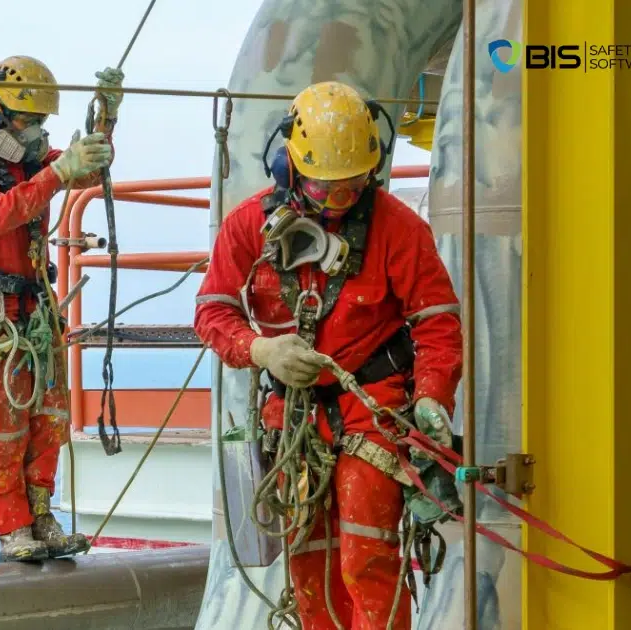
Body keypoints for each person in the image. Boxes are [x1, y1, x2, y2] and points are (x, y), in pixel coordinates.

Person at [193, 81, 463, 629]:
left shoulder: (397, 227)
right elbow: (212, 314)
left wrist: (433, 397)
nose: (341, 202)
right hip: (292, 414)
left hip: (374, 403)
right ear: (289, 165)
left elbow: (437, 323)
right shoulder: (248, 226)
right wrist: (261, 348)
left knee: (368, 556)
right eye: (326, 189)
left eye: (354, 186)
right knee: (308, 563)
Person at [0, 55, 124, 563]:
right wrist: (57, 171)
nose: (36, 130)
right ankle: (13, 526)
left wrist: (105, 121)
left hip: (36, 311)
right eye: (28, 120)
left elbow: (90, 170)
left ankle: (41, 512)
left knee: (48, 415)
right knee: (7, 421)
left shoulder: (32, 164)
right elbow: (0, 214)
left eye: (42, 122)